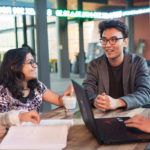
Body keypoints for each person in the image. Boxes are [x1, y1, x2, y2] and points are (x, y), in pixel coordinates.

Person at [83, 20, 150, 111]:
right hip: (103, 116)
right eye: (104, 40)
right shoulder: (95, 65)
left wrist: (118, 102)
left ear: (125, 42)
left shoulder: (138, 63)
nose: (107, 45)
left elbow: (145, 92)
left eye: (113, 40)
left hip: (131, 115)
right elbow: (87, 89)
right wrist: (95, 100)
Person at [0, 47, 72, 113]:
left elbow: (58, 100)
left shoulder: (37, 86)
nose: (35, 65)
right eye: (30, 62)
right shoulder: (3, 91)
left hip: (35, 127)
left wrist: (67, 95)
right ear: (14, 67)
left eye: (34, 62)